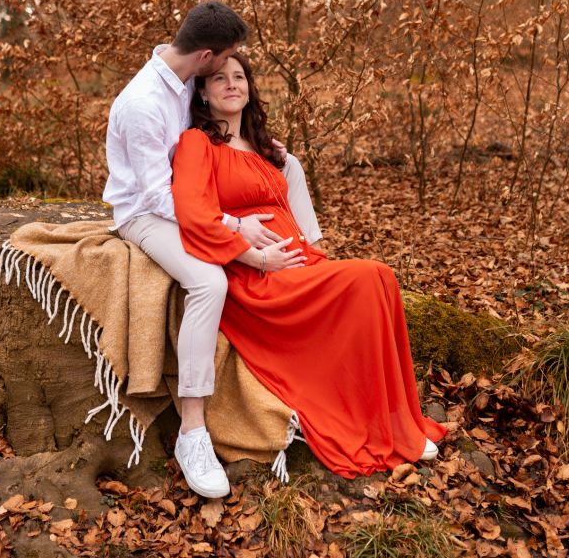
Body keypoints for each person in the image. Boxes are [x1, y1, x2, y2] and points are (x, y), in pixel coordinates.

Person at [171, 52, 448, 478]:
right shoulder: (197, 143)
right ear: (202, 93)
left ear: (250, 88)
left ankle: (395, 424)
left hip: (298, 265)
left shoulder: (265, 148)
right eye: (219, 78)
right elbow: (193, 214)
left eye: (239, 76)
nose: (231, 84)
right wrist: (257, 256)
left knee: (379, 280)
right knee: (371, 276)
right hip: (255, 278)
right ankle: (379, 428)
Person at [103, 2, 323, 498]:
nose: (229, 72)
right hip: (147, 214)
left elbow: (212, 140)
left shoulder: (179, 72)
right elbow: (161, 196)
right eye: (223, 61)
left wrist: (260, 152)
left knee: (288, 165)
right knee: (209, 281)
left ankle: (312, 257)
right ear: (204, 57)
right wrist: (235, 227)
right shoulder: (143, 104)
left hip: (195, 197)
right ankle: (193, 432)